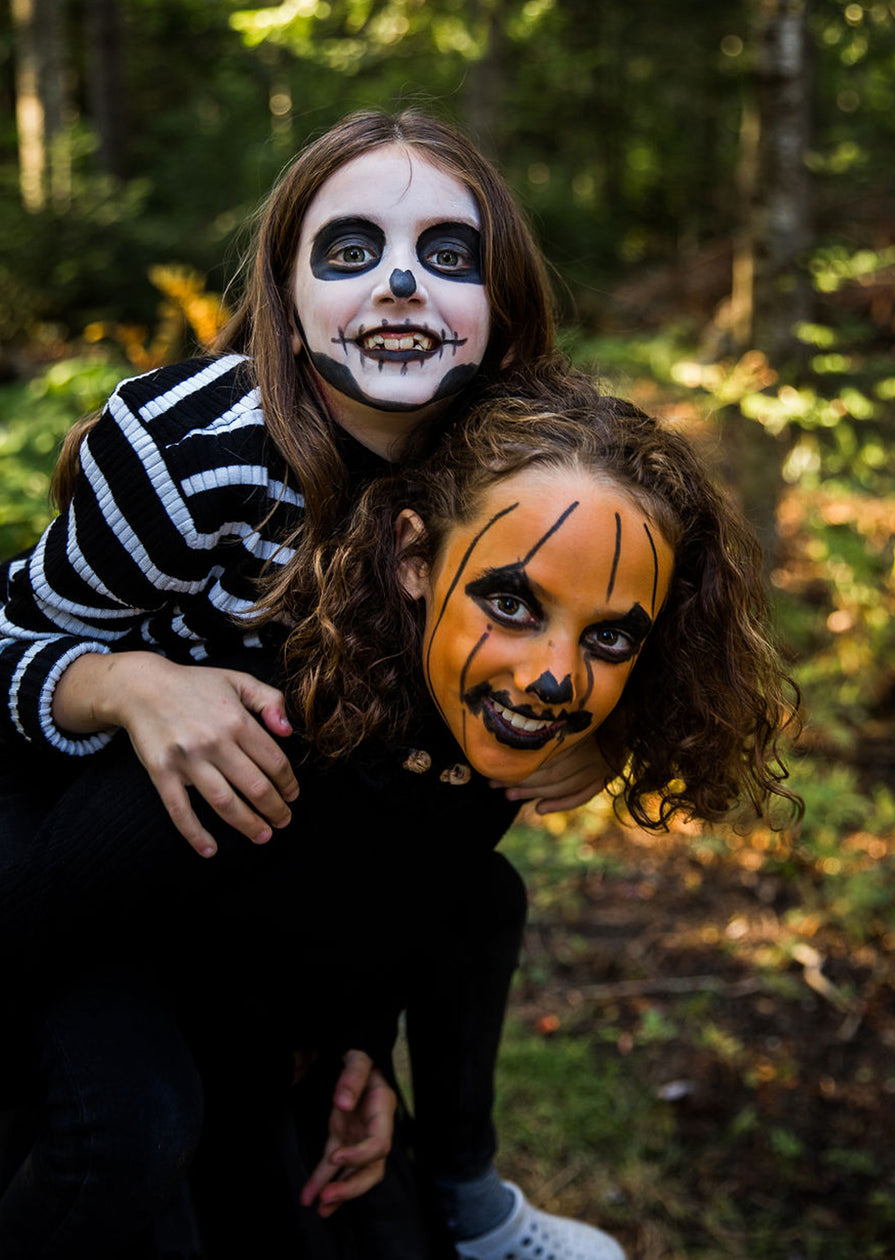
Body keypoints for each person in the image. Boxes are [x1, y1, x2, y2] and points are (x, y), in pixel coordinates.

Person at [2, 363, 801, 1257]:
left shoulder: (489, 742)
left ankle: (468, 1201)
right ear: (414, 560)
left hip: (260, 1008)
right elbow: (35, 936)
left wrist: (357, 1052)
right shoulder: (254, 733)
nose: (554, 677)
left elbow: (381, 896)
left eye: (608, 636)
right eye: (511, 601)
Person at [0, 108, 617, 1259]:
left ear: (506, 304)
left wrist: (354, 1047)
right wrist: (131, 685)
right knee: (133, 1131)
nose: (397, 283)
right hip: (68, 832)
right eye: (349, 252)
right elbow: (10, 646)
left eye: (449, 255)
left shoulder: (512, 481)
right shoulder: (191, 451)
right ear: (286, 296)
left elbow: (399, 818)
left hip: (250, 877)